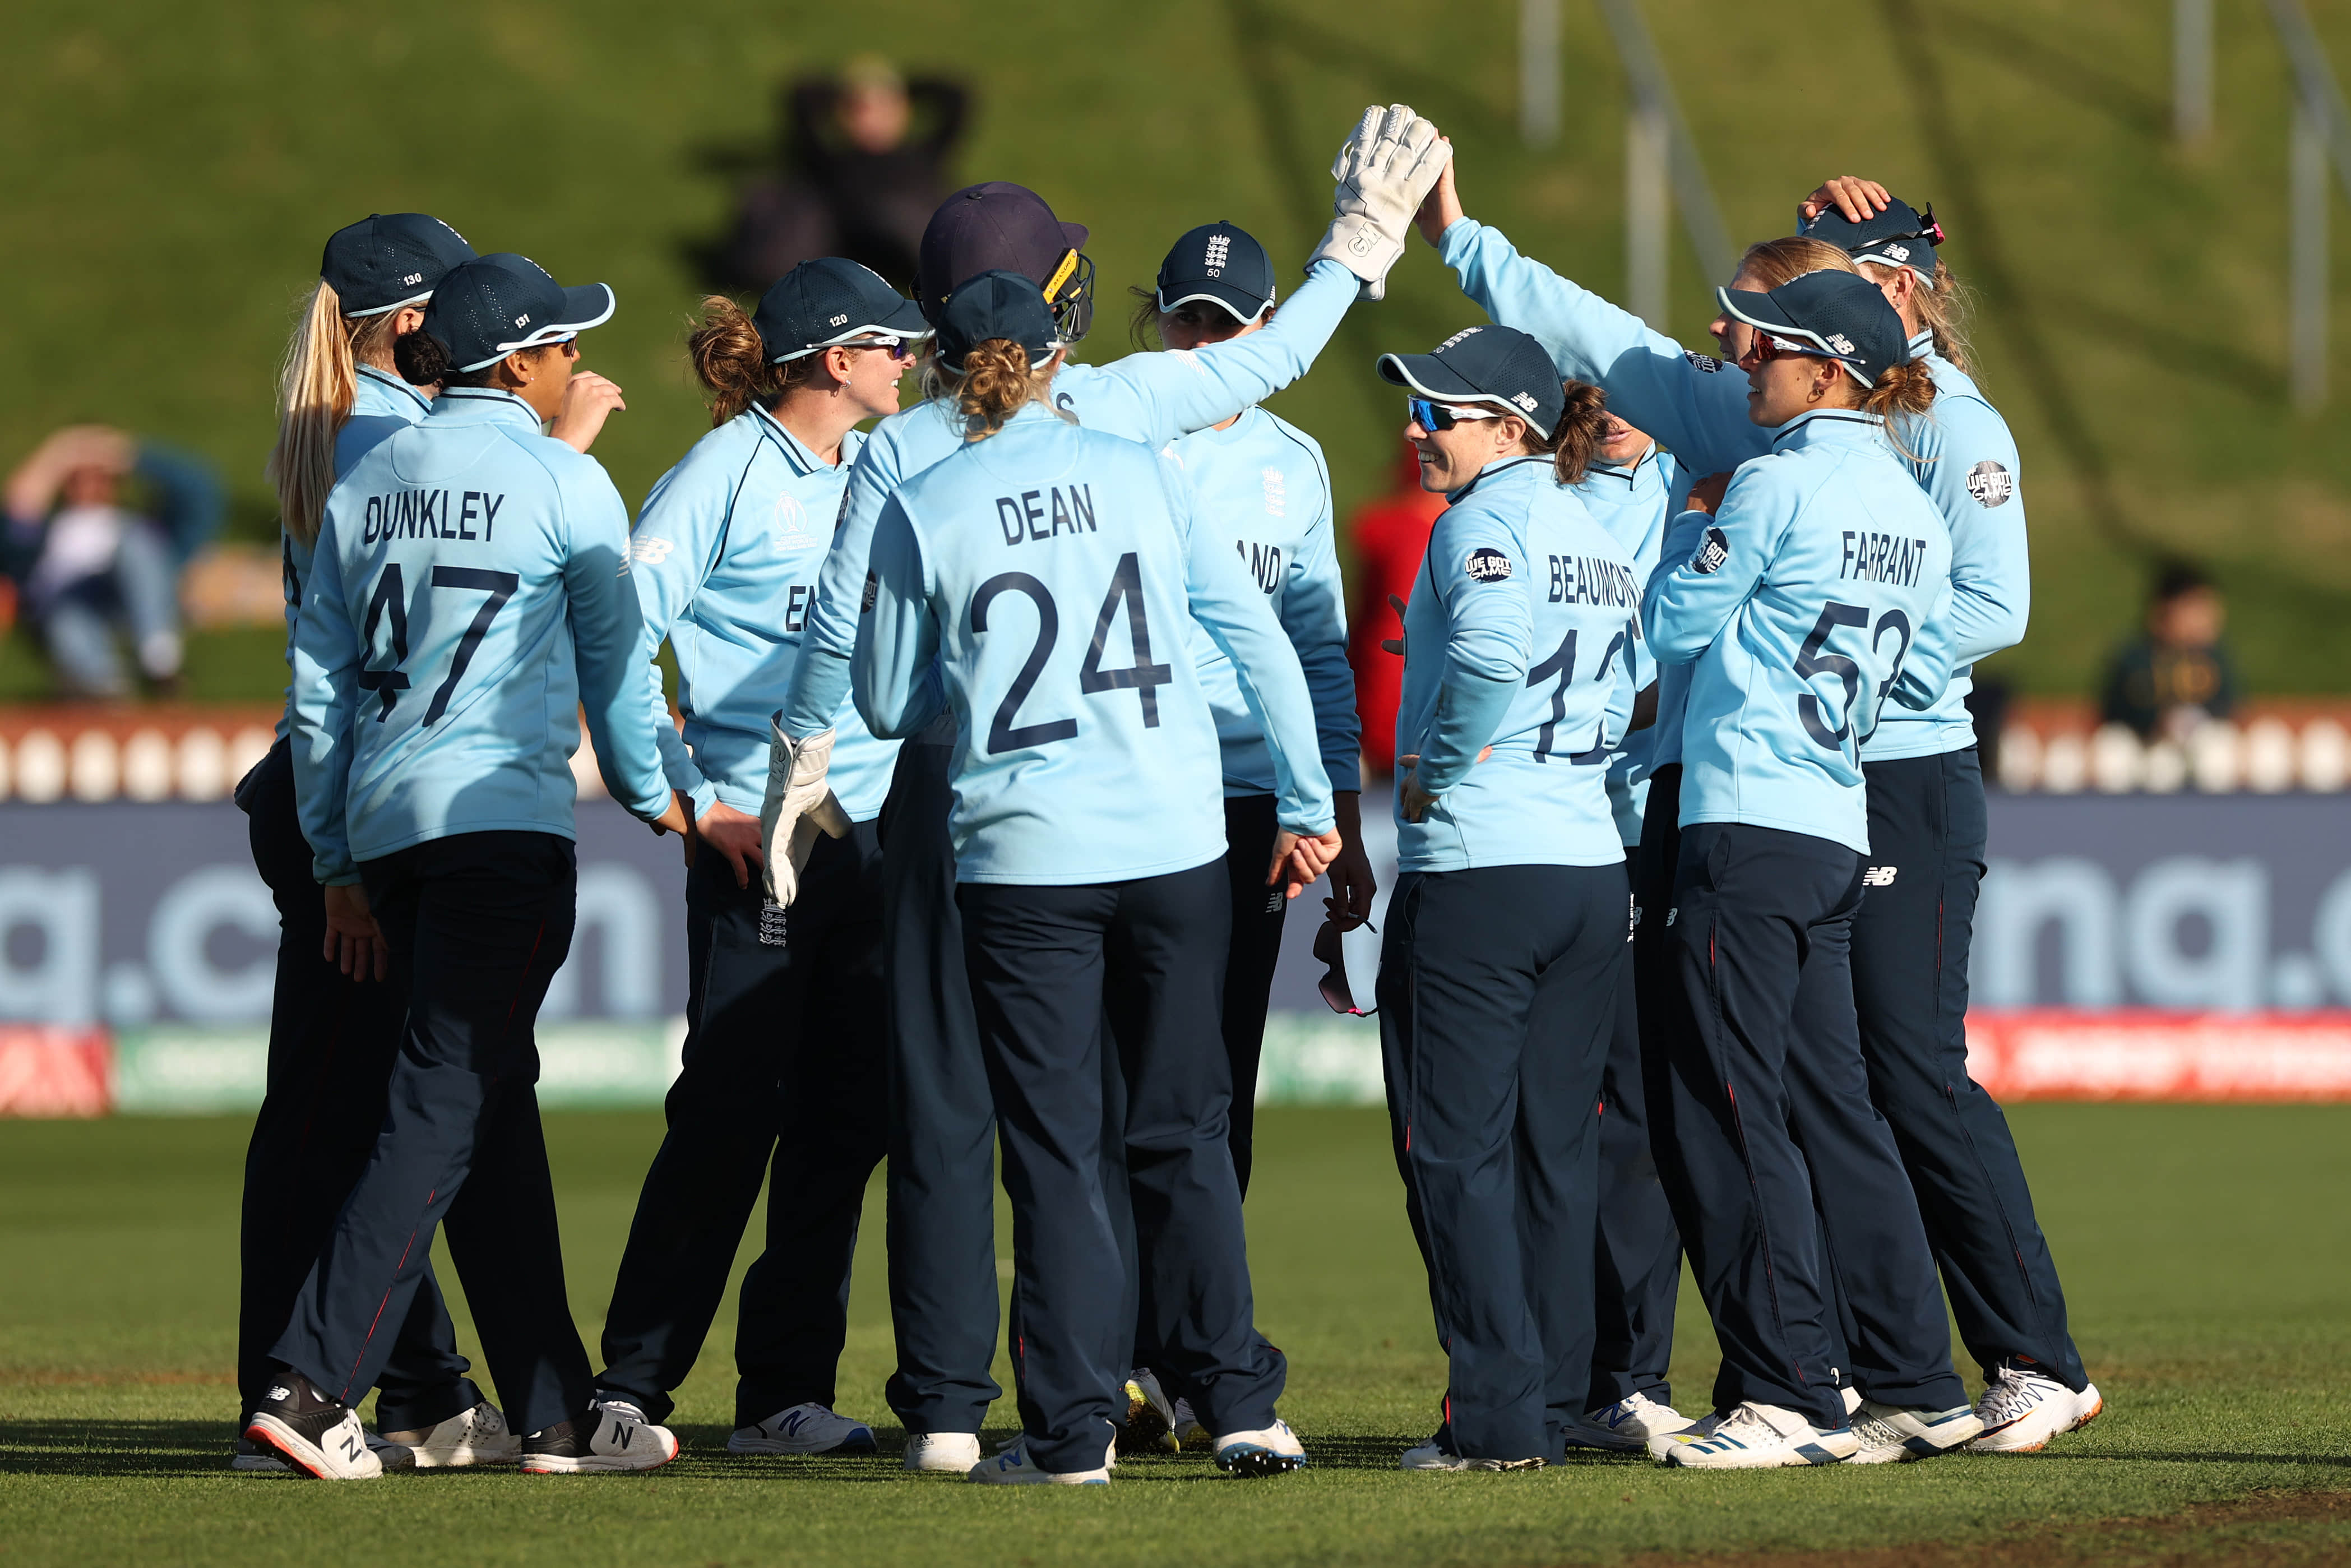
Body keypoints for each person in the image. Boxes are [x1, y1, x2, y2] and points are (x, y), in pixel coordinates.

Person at [766, 105, 1451, 1471]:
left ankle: (967, 1408)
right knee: (1179, 1117)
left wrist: (802, 752)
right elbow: (1277, 379)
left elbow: (849, 638)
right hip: (1161, 799)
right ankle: (1221, 1388)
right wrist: (1358, 242)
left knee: (972, 1112)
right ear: (1058, 311)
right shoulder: (1131, 422)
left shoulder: (905, 456)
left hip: (976, 795)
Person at [850, 269, 1337, 1484]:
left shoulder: (924, 497)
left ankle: (1073, 1433)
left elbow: (884, 700)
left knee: (1059, 1147)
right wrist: (1311, 801)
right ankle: (1238, 1401)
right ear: (1056, 357)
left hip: (1027, 856)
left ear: (945, 371)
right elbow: (1258, 636)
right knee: (1186, 1128)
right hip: (1175, 841)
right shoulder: (1141, 469)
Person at [248, 252, 689, 1480]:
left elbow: (320, 690)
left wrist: (337, 860)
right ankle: (310, 1382)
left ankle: (553, 1412)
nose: (576, 362)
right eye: (564, 345)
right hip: (499, 831)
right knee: (444, 1101)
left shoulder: (368, 474)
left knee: (484, 1105)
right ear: (520, 362)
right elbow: (618, 671)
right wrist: (658, 800)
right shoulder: (566, 479)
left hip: (387, 832)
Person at [587, 259, 931, 1457]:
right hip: (765, 833)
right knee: (731, 1111)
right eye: (892, 345)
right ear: (836, 359)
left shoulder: (882, 465)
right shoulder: (726, 471)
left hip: (873, 834)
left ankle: (783, 1392)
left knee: (847, 1117)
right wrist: (684, 799)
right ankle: (629, 1388)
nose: (911, 363)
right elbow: (616, 634)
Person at [1642, 270, 1974, 1469]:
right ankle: (1915, 1380)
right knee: (1835, 1108)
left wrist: (1690, 525)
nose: (1746, 359)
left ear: (1827, 370)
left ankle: (1787, 1392)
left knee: (1727, 1106)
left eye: (1768, 346)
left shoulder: (1773, 482)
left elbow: (1672, 625)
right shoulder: (1914, 510)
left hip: (1745, 821)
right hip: (1835, 822)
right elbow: (1922, 668)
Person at [1797, 177, 2098, 1451]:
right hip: (1834, 771)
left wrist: (1841, 674)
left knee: (1912, 1066)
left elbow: (1993, 606)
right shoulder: (1846, 411)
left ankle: (2036, 1359)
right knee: (1844, 1076)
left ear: (1897, 289)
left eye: (1838, 282)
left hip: (1908, 771)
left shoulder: (1951, 422)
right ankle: (1886, 1366)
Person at [233, 212, 512, 1476]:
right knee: (363, 1121)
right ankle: (301, 1394)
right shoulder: (395, 441)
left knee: (345, 1113)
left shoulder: (339, 426)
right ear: (411, 321)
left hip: (322, 787)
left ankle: (417, 1389)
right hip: (362, 798)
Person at [1114, 221, 1376, 1450]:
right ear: (1159, 321)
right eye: (1189, 320)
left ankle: (1187, 1351)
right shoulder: (1119, 438)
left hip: (1250, 805)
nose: (1208, 341)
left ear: (1267, 331)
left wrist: (1334, 810)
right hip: (1132, 791)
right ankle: (1116, 1353)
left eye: (1230, 325)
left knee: (1215, 1082)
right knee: (1115, 1079)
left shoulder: (1293, 463)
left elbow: (1318, 646)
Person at [1367, 327, 1641, 1471]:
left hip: (1484, 870)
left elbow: (1487, 657)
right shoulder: (1597, 534)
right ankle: (1555, 1401)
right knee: (1553, 1152)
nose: (1416, 428)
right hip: (1584, 864)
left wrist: (1433, 772)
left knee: (1455, 1152)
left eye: (1440, 411)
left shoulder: (1477, 523)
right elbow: (1628, 693)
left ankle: (1494, 1419)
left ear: (1511, 427)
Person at [1567, 411, 1690, 1442]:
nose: (1611, 413)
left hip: (1646, 826)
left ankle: (1630, 1373)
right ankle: (1545, 1370)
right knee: (1543, 1116)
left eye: (1630, 392)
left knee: (1643, 1115)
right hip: (1553, 833)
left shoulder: (1701, 480)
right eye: (1590, 392)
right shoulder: (1531, 493)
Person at [2, 426, 220, 697]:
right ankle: (108, 689)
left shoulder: (140, 526)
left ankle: (159, 656)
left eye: (100, 476)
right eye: (78, 477)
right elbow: (17, 510)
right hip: (72, 605)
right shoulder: (49, 530)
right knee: (65, 617)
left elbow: (200, 493)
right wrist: (58, 454)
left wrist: (131, 455)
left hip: (132, 595)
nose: (89, 485)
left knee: (136, 542)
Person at [718, 57, 968, 290]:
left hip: (905, 232)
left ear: (904, 112)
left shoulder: (921, 156)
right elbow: (801, 97)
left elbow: (957, 98)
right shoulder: (830, 158)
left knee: (905, 219)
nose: (871, 118)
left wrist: (901, 89)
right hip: (838, 236)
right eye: (859, 109)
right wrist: (848, 92)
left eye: (884, 108)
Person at [1345, 441, 1447, 780]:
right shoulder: (1490, 532)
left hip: (1374, 719)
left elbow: (1359, 627)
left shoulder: (1384, 527)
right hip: (1444, 728)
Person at [2099, 559, 2235, 743]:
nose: (2208, 619)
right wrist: (2154, 723)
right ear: (2165, 611)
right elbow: (2116, 712)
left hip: (2201, 741)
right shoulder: (2136, 659)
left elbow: (2229, 707)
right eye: (2196, 609)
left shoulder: (2215, 658)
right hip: (2147, 745)